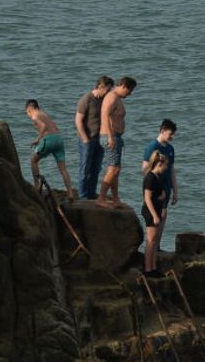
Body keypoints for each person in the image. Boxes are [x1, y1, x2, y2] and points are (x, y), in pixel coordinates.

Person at [97, 76, 137, 208]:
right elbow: (105, 115)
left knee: (116, 169)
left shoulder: (116, 98)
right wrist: (110, 137)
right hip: (110, 136)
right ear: (124, 86)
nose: (129, 94)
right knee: (113, 169)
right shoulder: (112, 97)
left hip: (115, 136)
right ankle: (101, 198)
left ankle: (115, 198)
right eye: (129, 91)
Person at [142, 119, 178, 257]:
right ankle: (151, 248)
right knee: (156, 217)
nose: (172, 137)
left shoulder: (170, 149)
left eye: (174, 134)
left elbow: (172, 170)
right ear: (162, 131)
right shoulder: (152, 147)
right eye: (170, 134)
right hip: (155, 189)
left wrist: (176, 191)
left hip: (167, 188)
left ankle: (157, 246)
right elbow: (145, 169)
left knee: (163, 216)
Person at [24, 99, 75, 199]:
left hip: (49, 139)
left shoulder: (35, 115)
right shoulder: (45, 114)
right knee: (63, 169)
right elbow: (55, 127)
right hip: (59, 139)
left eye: (27, 113)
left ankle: (36, 185)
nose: (28, 115)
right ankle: (70, 193)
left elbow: (43, 126)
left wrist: (38, 139)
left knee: (33, 160)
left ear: (30, 109)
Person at [74, 76, 114, 199]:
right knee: (85, 168)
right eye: (108, 89)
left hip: (99, 139)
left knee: (96, 168)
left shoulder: (103, 100)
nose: (109, 92)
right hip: (87, 139)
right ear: (100, 87)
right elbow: (78, 120)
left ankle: (91, 194)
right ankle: (83, 196)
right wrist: (85, 138)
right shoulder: (86, 99)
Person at [141, 151, 170, 274]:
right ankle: (148, 269)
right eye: (165, 165)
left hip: (156, 210)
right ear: (159, 164)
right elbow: (147, 198)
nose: (166, 168)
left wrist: (162, 195)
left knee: (155, 240)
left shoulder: (157, 177)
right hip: (150, 212)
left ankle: (153, 266)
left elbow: (157, 194)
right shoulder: (150, 177)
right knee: (151, 240)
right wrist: (154, 216)